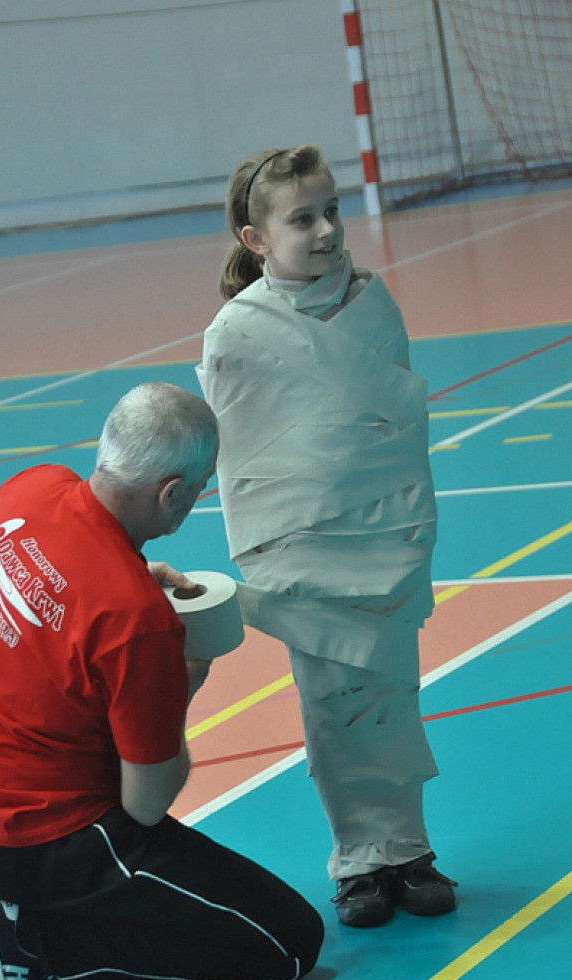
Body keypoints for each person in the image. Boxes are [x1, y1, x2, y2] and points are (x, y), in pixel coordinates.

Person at [0, 381, 324, 980]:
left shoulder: (33, 488)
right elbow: (146, 802)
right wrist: (181, 675)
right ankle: (36, 940)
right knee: (289, 946)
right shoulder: (138, 623)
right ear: (173, 492)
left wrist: (110, 578)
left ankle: (36, 912)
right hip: (39, 837)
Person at [197, 146, 458, 929]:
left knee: (391, 696)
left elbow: (394, 436)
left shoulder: (374, 307)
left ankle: (408, 850)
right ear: (256, 238)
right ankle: (359, 862)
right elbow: (246, 460)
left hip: (388, 539)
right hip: (305, 551)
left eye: (332, 210)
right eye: (302, 218)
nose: (325, 229)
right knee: (333, 704)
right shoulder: (238, 333)